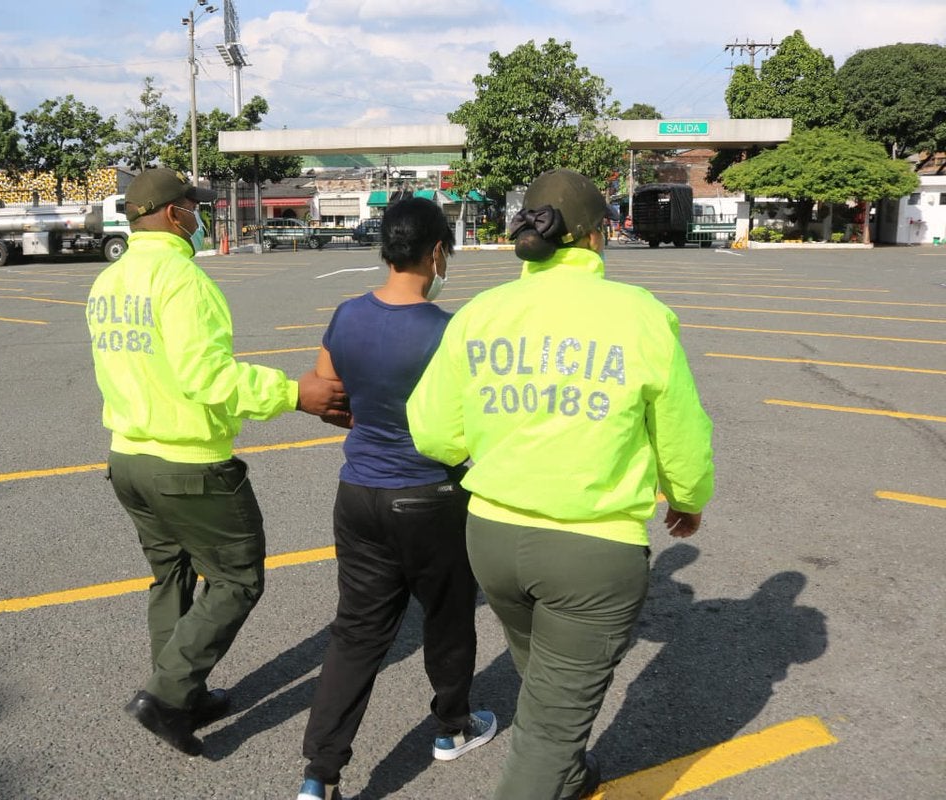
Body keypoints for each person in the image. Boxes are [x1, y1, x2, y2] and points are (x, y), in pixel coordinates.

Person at [407, 169, 715, 800]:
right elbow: (682, 433)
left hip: (492, 537)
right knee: (547, 729)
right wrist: (686, 500)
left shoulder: (481, 312)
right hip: (590, 548)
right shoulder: (640, 315)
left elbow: (435, 434)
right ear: (596, 237)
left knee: (544, 684)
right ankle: (553, 772)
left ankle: (568, 777)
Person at [86, 167, 347, 757]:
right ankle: (168, 697)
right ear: (175, 214)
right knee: (236, 577)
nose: (200, 217)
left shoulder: (110, 280)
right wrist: (293, 394)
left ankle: (181, 687)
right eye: (193, 207)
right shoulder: (181, 278)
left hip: (129, 456)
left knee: (171, 575)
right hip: (187, 462)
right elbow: (208, 378)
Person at [296, 198, 496, 800]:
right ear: (437, 252)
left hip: (358, 492)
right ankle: (452, 727)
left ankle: (318, 775)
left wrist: (368, 427)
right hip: (430, 495)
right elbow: (473, 423)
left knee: (356, 633)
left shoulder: (347, 315)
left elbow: (326, 392)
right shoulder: (448, 330)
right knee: (448, 617)